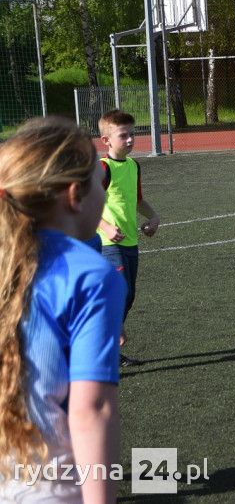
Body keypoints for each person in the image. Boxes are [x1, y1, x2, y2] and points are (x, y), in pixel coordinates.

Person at [0, 117, 126, 503]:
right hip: (50, 485)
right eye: (99, 183)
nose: (103, 193)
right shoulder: (91, 276)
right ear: (75, 195)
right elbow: (93, 410)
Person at [95, 110, 161, 367]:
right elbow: (85, 204)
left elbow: (137, 200)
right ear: (106, 140)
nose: (131, 139)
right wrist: (106, 227)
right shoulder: (103, 168)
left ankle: (107, 349)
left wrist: (153, 217)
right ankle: (100, 348)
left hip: (130, 241)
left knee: (129, 295)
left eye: (132, 134)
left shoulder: (134, 166)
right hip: (108, 244)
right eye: (123, 135)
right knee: (120, 293)